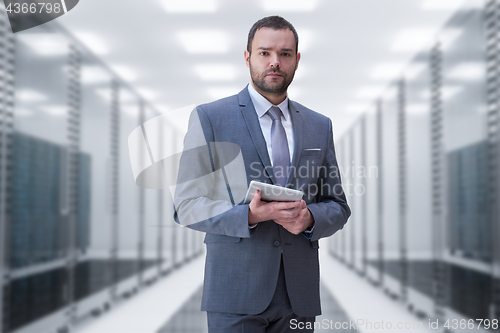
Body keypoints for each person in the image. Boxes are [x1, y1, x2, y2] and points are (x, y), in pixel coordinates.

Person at [174, 15, 350, 333]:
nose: (274, 62)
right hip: (235, 292)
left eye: (284, 54)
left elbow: (338, 205)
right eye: (264, 52)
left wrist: (310, 218)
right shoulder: (210, 118)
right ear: (248, 57)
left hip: (298, 294)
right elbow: (186, 205)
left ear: (296, 60)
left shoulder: (319, 125)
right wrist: (249, 216)